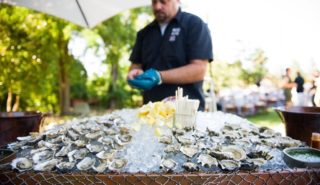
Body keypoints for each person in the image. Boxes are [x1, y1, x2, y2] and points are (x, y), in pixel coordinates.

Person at [127, 0, 213, 111]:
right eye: (154, 2)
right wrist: (134, 74)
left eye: (163, 1)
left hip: (186, 112)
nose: (157, 6)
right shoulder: (144, 33)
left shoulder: (194, 24)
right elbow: (135, 65)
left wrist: (159, 76)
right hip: (151, 112)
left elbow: (199, 70)